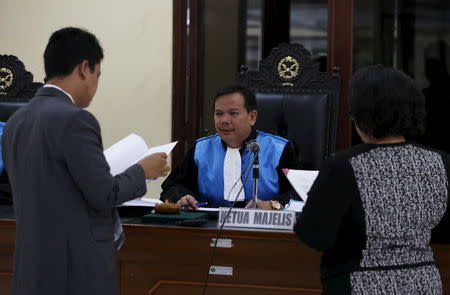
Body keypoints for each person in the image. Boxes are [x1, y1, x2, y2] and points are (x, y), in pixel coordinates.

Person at [1, 27, 170, 295]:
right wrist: (141, 171)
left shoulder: (15, 122)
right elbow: (104, 194)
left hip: (30, 269)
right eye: (97, 75)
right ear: (84, 69)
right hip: (75, 272)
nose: (95, 86)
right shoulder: (76, 119)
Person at [294, 65, 450, 294]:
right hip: (424, 283)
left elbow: (314, 235)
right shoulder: (441, 162)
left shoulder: (344, 166)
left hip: (362, 284)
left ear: (360, 113)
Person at [160, 84, 301, 209]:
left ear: (252, 117)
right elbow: (173, 186)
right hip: (208, 225)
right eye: (219, 114)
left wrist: (272, 204)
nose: (224, 121)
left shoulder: (279, 149)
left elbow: (299, 193)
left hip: (262, 227)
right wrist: (182, 197)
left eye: (233, 113)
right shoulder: (201, 149)